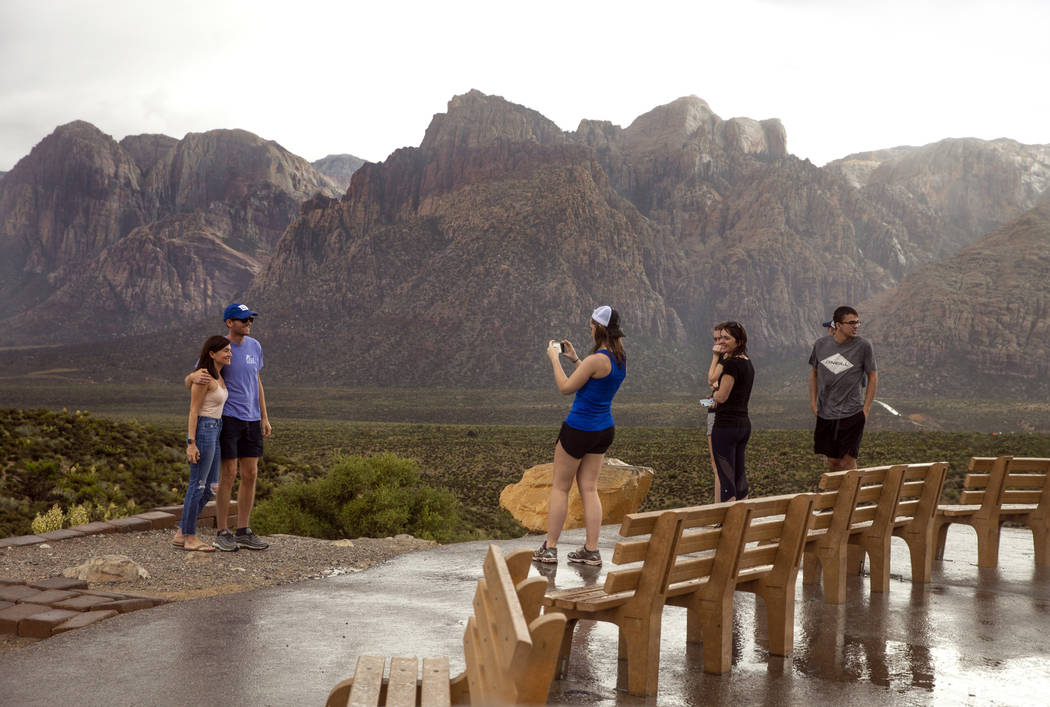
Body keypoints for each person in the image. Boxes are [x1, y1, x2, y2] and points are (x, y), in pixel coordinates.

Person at [533, 306, 627, 567]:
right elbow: (593, 378)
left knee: (561, 487)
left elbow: (566, 388)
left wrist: (554, 358)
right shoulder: (620, 358)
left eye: (591, 324)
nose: (589, 328)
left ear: (599, 327)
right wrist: (575, 360)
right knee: (589, 488)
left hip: (578, 428)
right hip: (603, 430)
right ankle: (591, 550)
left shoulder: (596, 359)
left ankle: (550, 548)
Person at [187, 303, 271, 551]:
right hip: (230, 418)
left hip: (252, 419)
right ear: (229, 323)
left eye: (250, 320)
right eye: (243, 320)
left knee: (251, 474)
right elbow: (199, 373)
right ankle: (222, 531)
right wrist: (191, 378)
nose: (248, 323)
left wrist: (264, 416)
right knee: (229, 474)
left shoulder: (255, 346)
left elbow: (257, 381)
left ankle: (243, 529)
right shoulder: (221, 348)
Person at [175, 336, 232, 551]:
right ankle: (190, 537)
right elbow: (193, 410)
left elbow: (187, 379)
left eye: (230, 350)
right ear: (211, 354)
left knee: (211, 487)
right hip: (204, 430)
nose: (229, 354)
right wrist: (191, 443)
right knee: (197, 485)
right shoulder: (204, 377)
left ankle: (182, 531)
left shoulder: (219, 374)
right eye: (225, 351)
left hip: (216, 429)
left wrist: (189, 376)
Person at [809, 305, 878, 472]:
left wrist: (866, 409)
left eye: (857, 322)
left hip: (852, 413)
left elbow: (873, 376)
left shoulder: (863, 346)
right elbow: (814, 373)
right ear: (838, 325)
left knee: (847, 462)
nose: (855, 326)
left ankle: (852, 497)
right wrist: (813, 403)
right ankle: (836, 497)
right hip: (826, 413)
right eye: (851, 322)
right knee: (833, 462)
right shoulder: (820, 345)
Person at [710, 322, 754, 502]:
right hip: (743, 424)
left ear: (739, 341)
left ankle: (727, 522)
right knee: (739, 474)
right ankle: (743, 517)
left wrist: (714, 395)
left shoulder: (731, 364)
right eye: (722, 337)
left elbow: (722, 397)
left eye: (727, 338)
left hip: (726, 426)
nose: (723, 341)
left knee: (726, 478)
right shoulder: (747, 362)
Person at [704, 322, 731, 502]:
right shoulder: (726, 360)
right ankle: (718, 508)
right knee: (718, 466)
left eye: (721, 338)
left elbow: (712, 380)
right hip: (715, 415)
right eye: (715, 339)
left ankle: (720, 510)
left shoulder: (728, 362)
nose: (718, 343)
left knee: (720, 466)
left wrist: (715, 356)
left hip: (723, 418)